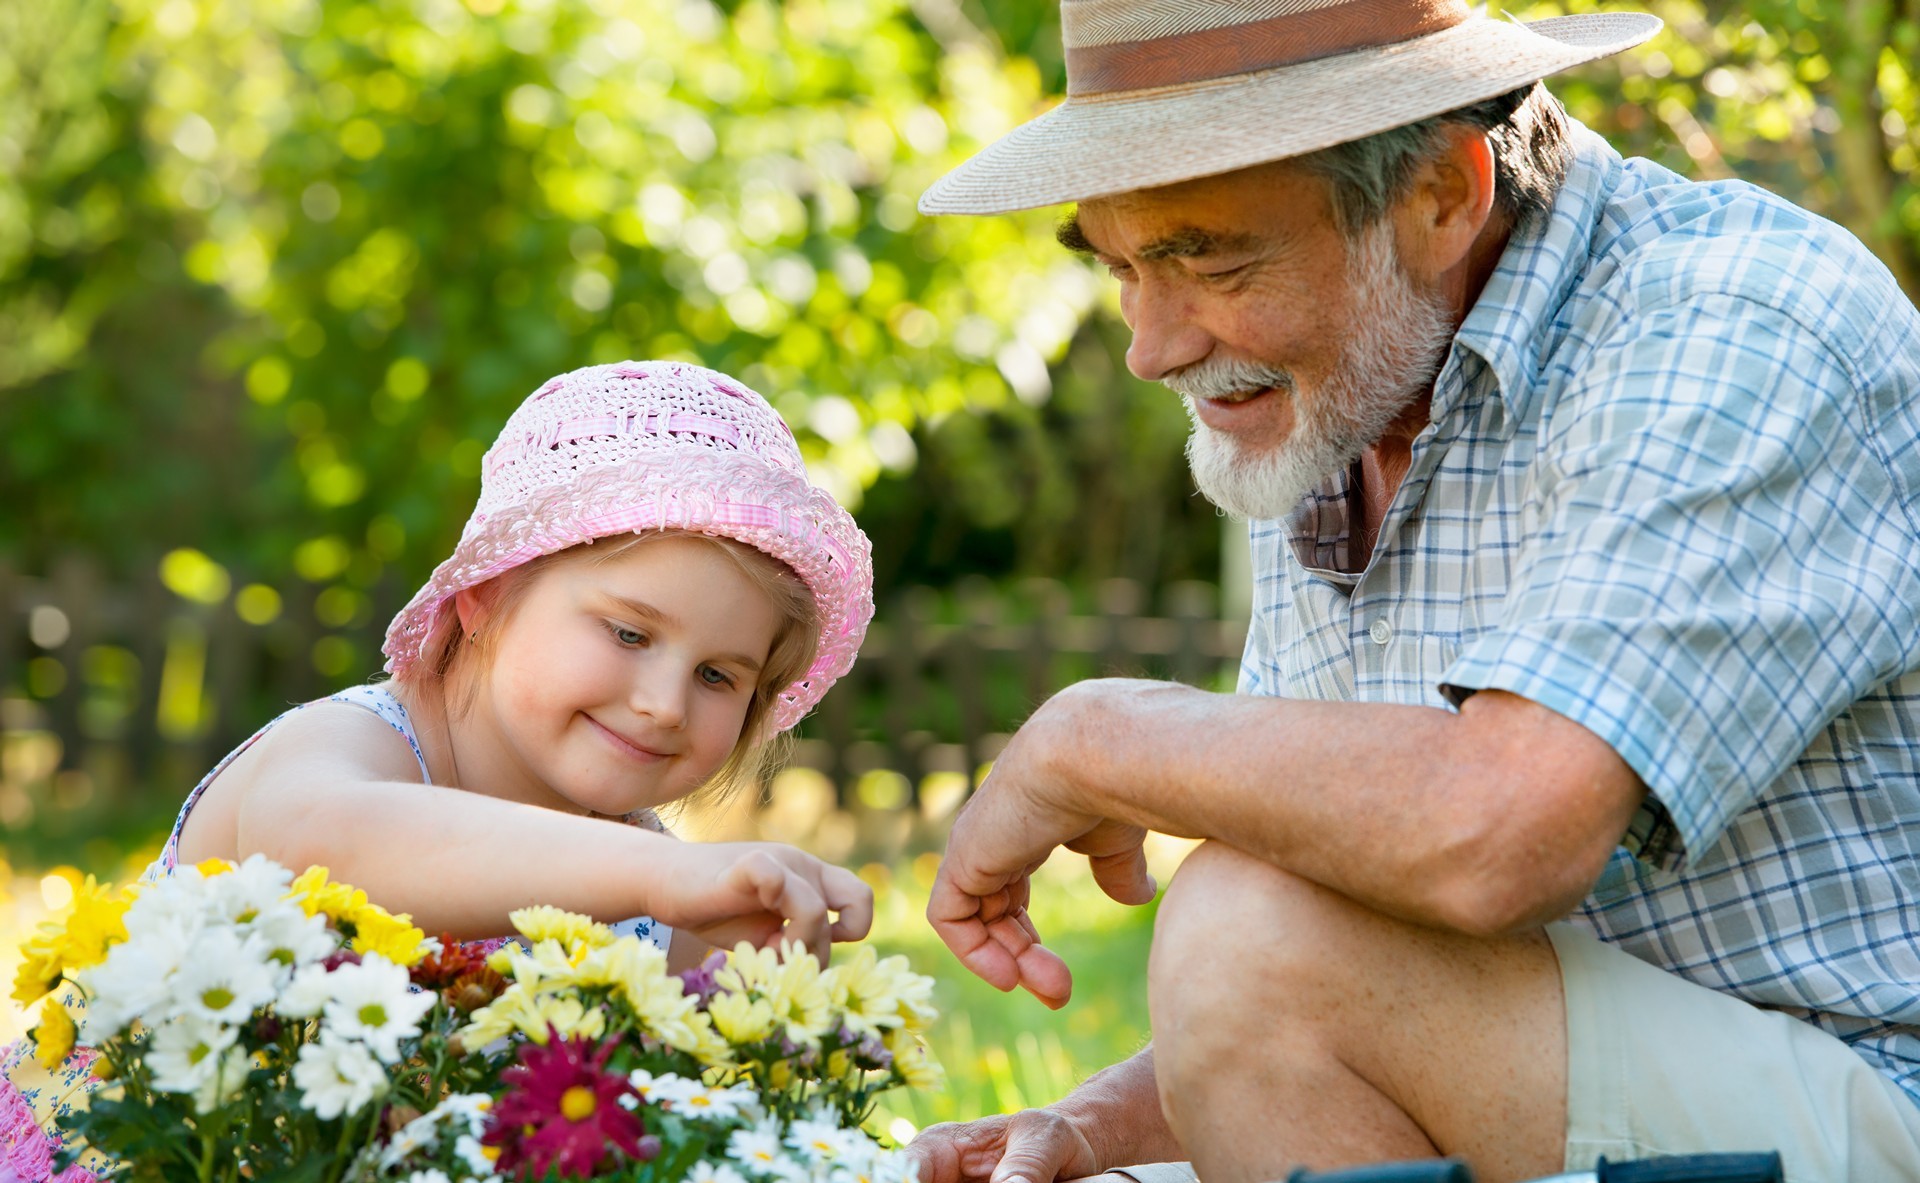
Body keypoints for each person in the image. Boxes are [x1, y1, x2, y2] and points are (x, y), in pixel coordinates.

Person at [906, 3, 1920, 1183]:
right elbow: (1350, 954)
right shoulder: (1351, 383)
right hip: (1619, 1104)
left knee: (1242, 926)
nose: (1152, 346)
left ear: (1442, 193)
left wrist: (1095, 734)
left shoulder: (1735, 328)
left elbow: (1497, 838)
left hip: (1869, 1098)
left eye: (1208, 260)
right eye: (1124, 267)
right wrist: (1102, 1121)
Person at [2, 359, 878, 1179]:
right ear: (488, 591)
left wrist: (777, 1016)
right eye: (628, 632)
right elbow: (322, 845)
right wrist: (662, 876)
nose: (664, 702)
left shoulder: (659, 895)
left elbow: (697, 1114)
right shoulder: (359, 746)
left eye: (719, 675)